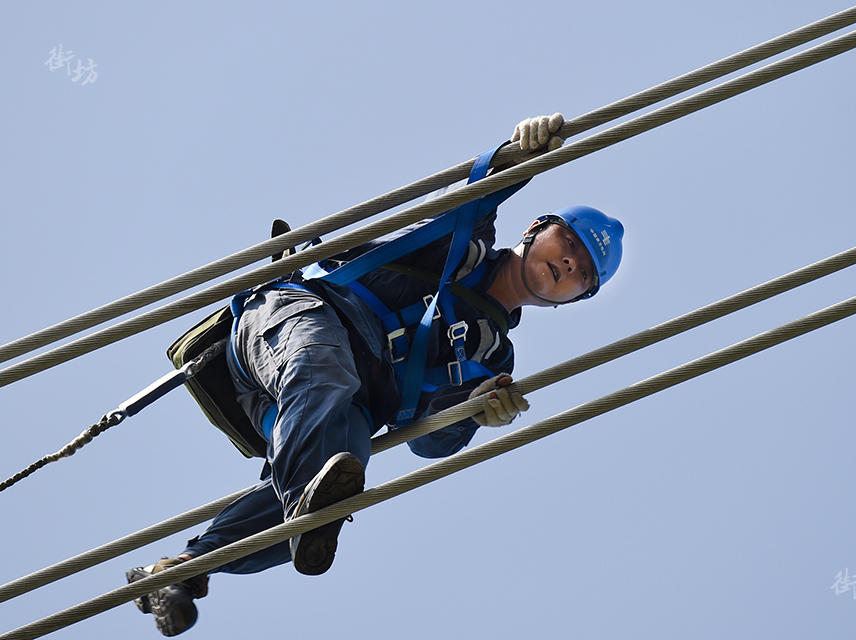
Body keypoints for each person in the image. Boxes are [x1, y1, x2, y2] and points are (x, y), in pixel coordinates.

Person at [126, 113, 624, 636]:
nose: (569, 264)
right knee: (325, 387)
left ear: (575, 298)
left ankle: (182, 571)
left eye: (583, 273)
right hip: (297, 320)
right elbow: (483, 190)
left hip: (317, 407)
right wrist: (519, 157)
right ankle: (309, 508)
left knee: (340, 469)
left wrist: (475, 414)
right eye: (568, 243)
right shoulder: (465, 239)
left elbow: (429, 440)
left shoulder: (494, 358)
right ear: (536, 229)